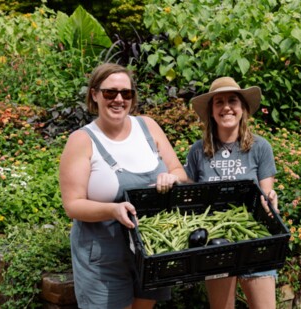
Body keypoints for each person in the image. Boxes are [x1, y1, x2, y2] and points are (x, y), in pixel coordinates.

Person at [59, 63, 188, 309]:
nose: (118, 99)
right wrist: (112, 210)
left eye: (126, 93)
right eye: (110, 93)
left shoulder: (148, 127)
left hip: (151, 250)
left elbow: (179, 172)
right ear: (95, 95)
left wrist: (172, 178)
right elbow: (72, 205)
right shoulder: (82, 140)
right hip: (104, 256)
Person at [184, 77, 279, 309]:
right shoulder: (198, 151)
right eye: (219, 102)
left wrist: (271, 200)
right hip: (216, 241)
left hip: (254, 237)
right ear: (211, 111)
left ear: (243, 109)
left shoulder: (260, 147)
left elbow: (266, 194)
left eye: (232, 101)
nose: (226, 107)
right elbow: (188, 192)